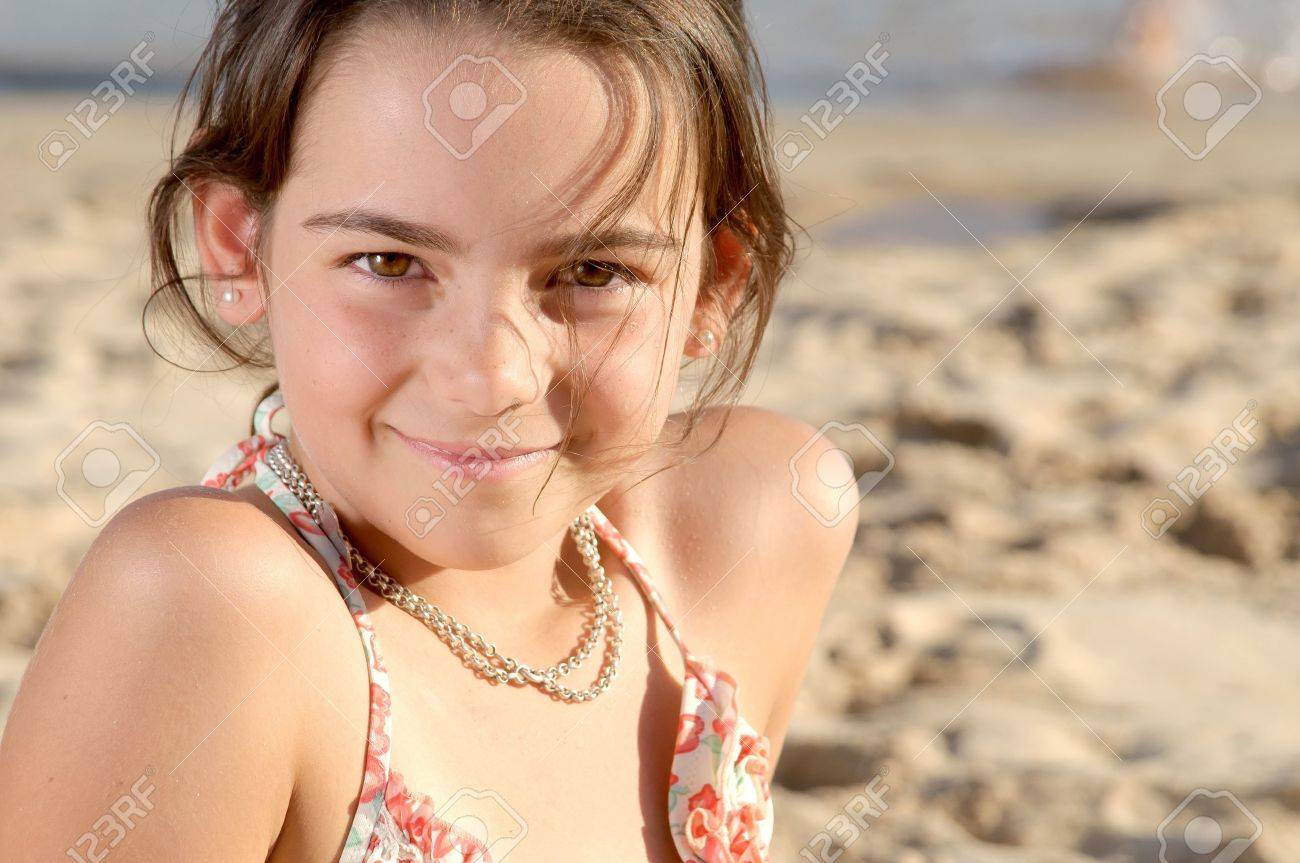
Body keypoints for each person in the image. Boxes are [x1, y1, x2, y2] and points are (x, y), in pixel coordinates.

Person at [0, 1, 858, 860]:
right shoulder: (213, 611)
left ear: (714, 285)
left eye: (593, 272)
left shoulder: (760, 525)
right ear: (237, 246)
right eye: (389, 263)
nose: (491, 378)